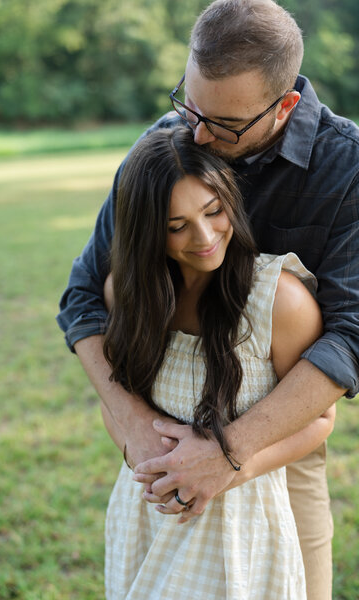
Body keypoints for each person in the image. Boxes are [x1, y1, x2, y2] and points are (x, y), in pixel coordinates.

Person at [57, 1, 359, 597]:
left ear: (285, 106)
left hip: (278, 442)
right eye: (188, 104)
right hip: (160, 444)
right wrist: (136, 424)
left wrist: (227, 454)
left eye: (222, 123)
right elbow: (84, 298)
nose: (194, 133)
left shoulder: (346, 167)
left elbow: (351, 336)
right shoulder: (163, 148)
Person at [101, 125, 335, 599]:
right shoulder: (126, 296)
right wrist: (140, 454)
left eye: (213, 211)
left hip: (239, 523)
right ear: (147, 230)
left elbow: (320, 419)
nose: (205, 236)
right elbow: (115, 396)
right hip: (146, 513)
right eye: (176, 226)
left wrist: (230, 467)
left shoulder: (279, 300)